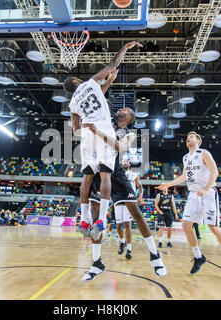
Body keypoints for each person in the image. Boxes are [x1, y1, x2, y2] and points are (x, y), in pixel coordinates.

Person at [65, 40, 143, 241]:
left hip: (87, 135)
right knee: (105, 175)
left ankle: (83, 220)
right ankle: (100, 221)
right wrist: (124, 48)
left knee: (87, 177)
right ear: (76, 80)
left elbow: (75, 130)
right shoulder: (90, 83)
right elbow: (112, 65)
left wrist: (109, 82)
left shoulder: (72, 102)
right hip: (101, 131)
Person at [83, 107, 166, 281]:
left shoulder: (130, 134)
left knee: (135, 212)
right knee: (96, 216)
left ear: (129, 116)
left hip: (117, 172)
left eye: (125, 109)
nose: (120, 109)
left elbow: (120, 147)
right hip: (98, 171)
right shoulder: (106, 122)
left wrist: (97, 132)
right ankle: (96, 262)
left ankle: (155, 255)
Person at [157, 132, 221, 275]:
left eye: (192, 136)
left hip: (208, 192)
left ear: (198, 141)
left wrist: (206, 188)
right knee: (185, 224)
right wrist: (168, 185)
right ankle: (198, 257)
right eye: (187, 136)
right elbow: (183, 176)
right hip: (193, 194)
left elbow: (215, 172)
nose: (188, 138)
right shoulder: (185, 158)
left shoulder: (204, 153)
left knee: (213, 227)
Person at [115, 159, 143, 259]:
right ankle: (122, 242)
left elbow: (140, 186)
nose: (125, 162)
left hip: (129, 199)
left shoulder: (133, 175)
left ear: (129, 164)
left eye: (126, 161)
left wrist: (140, 196)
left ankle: (129, 250)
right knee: (118, 225)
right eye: (123, 161)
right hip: (118, 199)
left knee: (127, 224)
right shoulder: (117, 174)